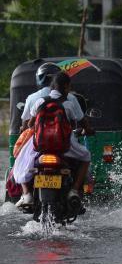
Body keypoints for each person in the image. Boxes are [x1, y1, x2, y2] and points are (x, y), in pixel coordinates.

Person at [14, 71, 92, 207]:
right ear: (67, 87)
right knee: (86, 156)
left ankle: (26, 194)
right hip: (65, 146)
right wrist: (88, 130)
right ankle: (73, 190)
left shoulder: (39, 101)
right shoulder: (69, 103)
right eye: (69, 87)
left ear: (52, 87)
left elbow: (31, 124)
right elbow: (77, 123)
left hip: (40, 146)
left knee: (20, 158)